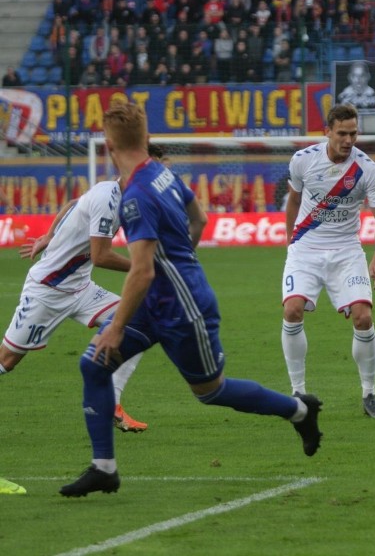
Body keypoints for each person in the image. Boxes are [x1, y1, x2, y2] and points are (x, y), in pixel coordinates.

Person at [59, 102, 322, 497]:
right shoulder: (161, 174)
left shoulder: (135, 196)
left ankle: (300, 410)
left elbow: (142, 270)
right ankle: (104, 467)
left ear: (110, 147)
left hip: (183, 310)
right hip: (157, 301)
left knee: (211, 392)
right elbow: (198, 218)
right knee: (94, 365)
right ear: (144, 139)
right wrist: (183, 263)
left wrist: (115, 326)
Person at [1, 156, 152, 433]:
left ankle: (112, 405)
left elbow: (73, 205)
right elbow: (101, 256)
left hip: (81, 289)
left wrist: (48, 235)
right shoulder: (109, 199)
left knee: (136, 324)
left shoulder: (113, 191)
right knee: (7, 360)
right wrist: (143, 267)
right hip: (47, 291)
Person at [282, 104, 375, 418]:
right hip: (306, 248)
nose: (348, 139)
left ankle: (369, 395)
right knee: (292, 310)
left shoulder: (367, 169)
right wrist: (292, 242)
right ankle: (298, 392)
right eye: (342, 133)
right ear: (326, 132)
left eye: (353, 133)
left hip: (346, 251)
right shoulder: (302, 161)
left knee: (363, 318)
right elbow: (293, 201)